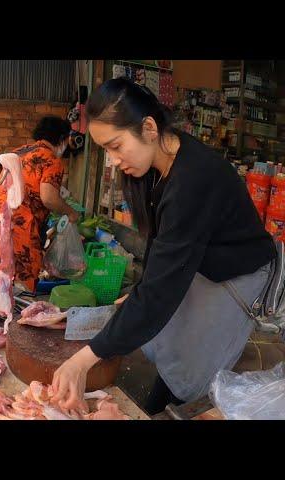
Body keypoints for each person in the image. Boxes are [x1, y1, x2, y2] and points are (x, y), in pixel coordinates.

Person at [50, 77, 277, 416]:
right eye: (106, 151)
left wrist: (84, 359)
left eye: (116, 146)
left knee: (194, 362)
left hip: (238, 272)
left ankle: (181, 404)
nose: (113, 161)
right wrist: (142, 287)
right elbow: (162, 250)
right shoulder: (155, 167)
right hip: (202, 260)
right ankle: (163, 399)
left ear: (150, 127)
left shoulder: (194, 179)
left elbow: (161, 292)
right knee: (165, 336)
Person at [0, 116, 79, 292]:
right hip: (16, 215)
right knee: (24, 273)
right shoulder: (51, 159)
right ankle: (18, 313)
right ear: (62, 139)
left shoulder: (20, 151)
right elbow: (49, 198)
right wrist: (70, 212)